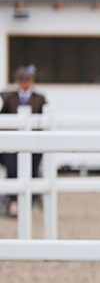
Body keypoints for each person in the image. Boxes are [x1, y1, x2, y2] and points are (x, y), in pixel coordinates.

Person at [1, 64, 49, 217]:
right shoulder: (10, 98)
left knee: (32, 172)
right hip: (13, 143)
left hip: (33, 143)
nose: (25, 83)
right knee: (13, 170)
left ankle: (28, 203)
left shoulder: (40, 98)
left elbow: (45, 119)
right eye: (22, 80)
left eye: (27, 80)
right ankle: (14, 202)